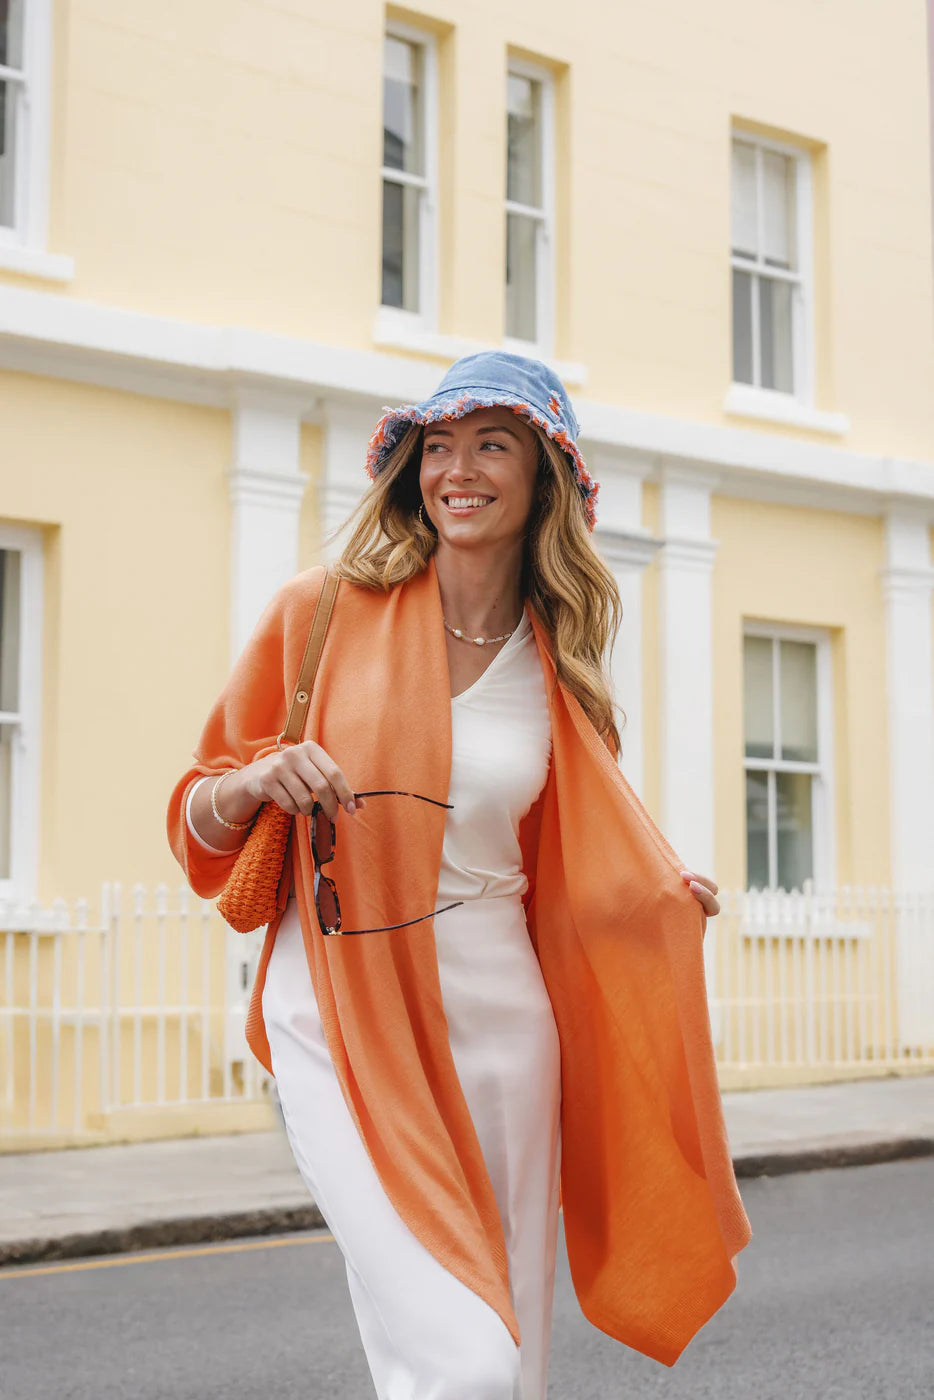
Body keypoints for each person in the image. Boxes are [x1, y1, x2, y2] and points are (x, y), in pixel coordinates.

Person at [167, 351, 751, 1400]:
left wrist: (658, 903)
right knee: (464, 1359)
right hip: (341, 1002)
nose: (458, 470)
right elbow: (193, 819)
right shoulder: (322, 611)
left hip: (504, 1015)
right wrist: (253, 780)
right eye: (438, 446)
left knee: (512, 1355)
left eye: (492, 444)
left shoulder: (559, 660)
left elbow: (576, 856)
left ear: (544, 475)